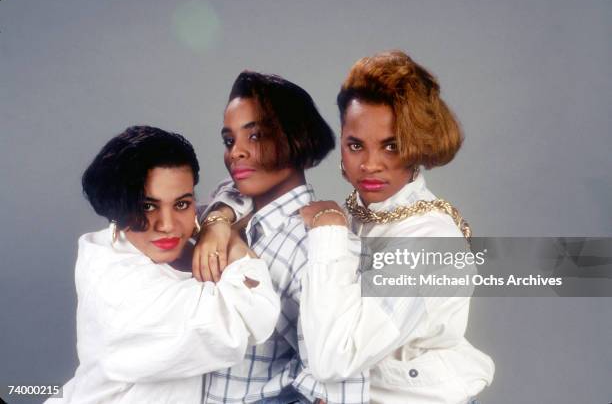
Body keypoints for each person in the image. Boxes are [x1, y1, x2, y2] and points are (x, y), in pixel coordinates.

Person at [298, 50, 495, 403]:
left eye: (392, 146)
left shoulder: (431, 242)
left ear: (416, 145)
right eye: (355, 145)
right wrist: (221, 217)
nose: (370, 164)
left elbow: (334, 358)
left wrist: (328, 236)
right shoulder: (355, 214)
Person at [46, 126, 280, 404]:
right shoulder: (118, 290)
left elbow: (238, 189)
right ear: (117, 205)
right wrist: (227, 236)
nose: (167, 225)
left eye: (181, 203)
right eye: (147, 206)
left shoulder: (149, 239)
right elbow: (251, 312)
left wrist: (216, 221)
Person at [194, 72, 368, 403]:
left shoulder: (314, 243)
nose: (236, 154)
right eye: (230, 141)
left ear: (295, 138)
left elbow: (341, 382)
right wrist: (218, 220)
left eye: (255, 136)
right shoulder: (230, 212)